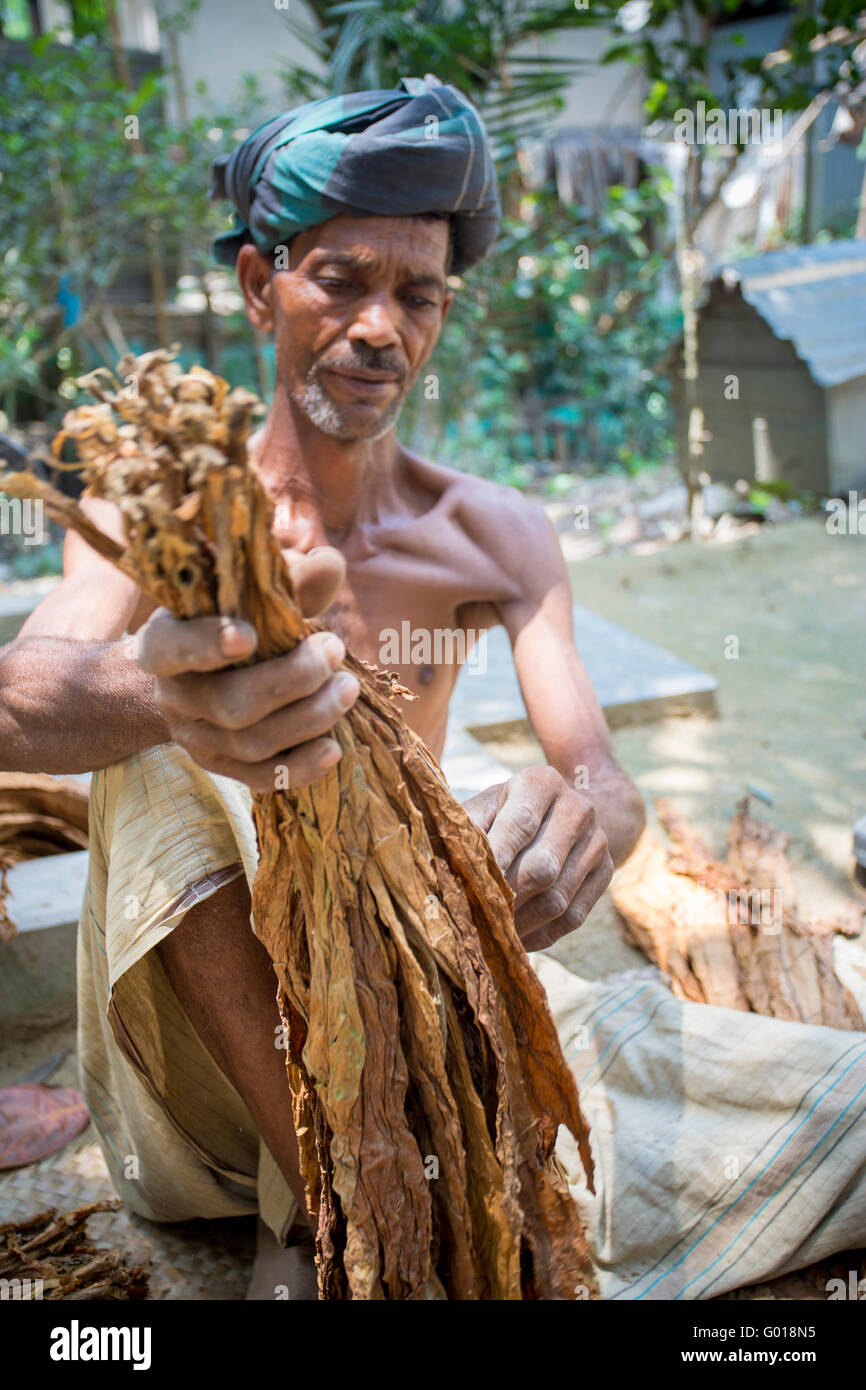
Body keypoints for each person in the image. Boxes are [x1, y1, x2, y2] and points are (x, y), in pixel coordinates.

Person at [0, 77, 644, 1297]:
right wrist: (171, 694)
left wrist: (576, 824)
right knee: (158, 743)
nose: (379, 327)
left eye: (418, 294)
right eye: (339, 279)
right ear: (261, 285)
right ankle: (330, 1216)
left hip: (406, 1023)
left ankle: (383, 1177)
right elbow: (15, 695)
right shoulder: (165, 509)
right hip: (204, 1077)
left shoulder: (495, 534)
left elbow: (601, 778)